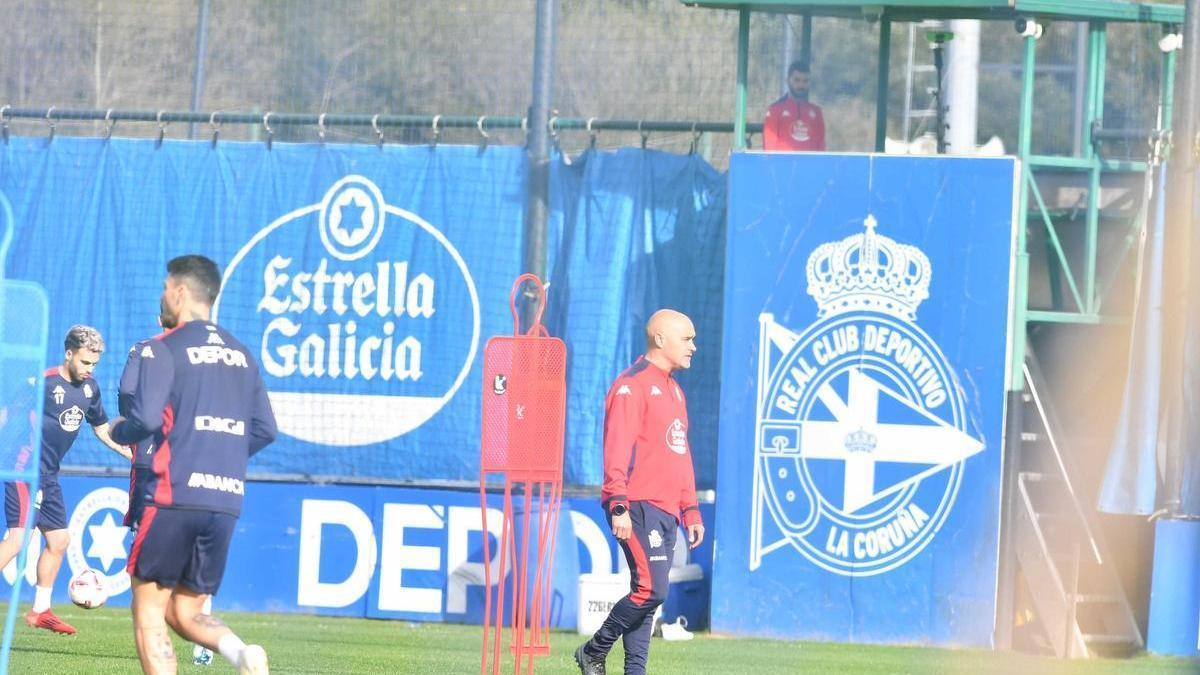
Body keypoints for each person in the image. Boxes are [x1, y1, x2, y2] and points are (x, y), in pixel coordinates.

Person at [110, 255, 277, 675]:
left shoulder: (163, 348)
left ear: (181, 292)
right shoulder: (242, 354)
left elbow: (145, 420)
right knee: (186, 611)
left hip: (173, 495)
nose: (162, 295)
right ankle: (243, 654)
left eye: (166, 287)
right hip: (225, 501)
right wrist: (220, 454)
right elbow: (265, 429)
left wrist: (119, 432)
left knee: (149, 609)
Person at [575, 309, 706, 675]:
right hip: (636, 505)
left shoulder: (675, 391)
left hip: (665, 509)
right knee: (652, 590)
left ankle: (635, 671)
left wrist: (690, 509)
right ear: (660, 339)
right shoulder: (631, 385)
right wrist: (617, 502)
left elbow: (681, 454)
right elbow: (616, 448)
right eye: (688, 338)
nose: (694, 346)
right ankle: (593, 650)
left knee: (648, 599)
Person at [0, 325, 133, 635]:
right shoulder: (42, 383)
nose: (90, 369)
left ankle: (40, 611)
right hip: (24, 470)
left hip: (49, 475)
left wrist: (125, 451)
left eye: (95, 364)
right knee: (17, 540)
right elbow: (5, 417)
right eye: (86, 362)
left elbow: (101, 428)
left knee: (59, 541)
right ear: (69, 353)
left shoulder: (91, 390)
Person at [119, 320, 216, 667]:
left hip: (150, 463)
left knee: (146, 575)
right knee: (194, 562)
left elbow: (127, 394)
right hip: (198, 465)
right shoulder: (215, 354)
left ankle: (155, 642)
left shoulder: (145, 349)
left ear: (162, 319)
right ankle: (205, 641)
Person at [763, 60, 826, 152]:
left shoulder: (816, 112)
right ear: (788, 80)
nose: (801, 85)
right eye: (797, 80)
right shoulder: (775, 110)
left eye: (805, 81)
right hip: (783, 164)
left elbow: (821, 147)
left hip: (809, 165)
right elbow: (769, 148)